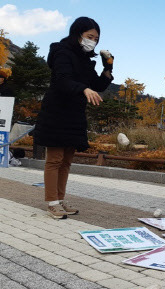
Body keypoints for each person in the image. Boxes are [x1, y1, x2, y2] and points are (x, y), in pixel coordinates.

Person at [33, 17, 113, 219]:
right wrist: (83, 88)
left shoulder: (86, 60)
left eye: (96, 38)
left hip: (74, 113)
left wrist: (108, 67)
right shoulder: (61, 52)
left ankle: (60, 200)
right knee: (54, 159)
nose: (92, 41)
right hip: (56, 111)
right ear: (77, 34)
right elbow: (62, 80)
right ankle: (52, 202)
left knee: (67, 160)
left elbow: (97, 85)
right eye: (89, 36)